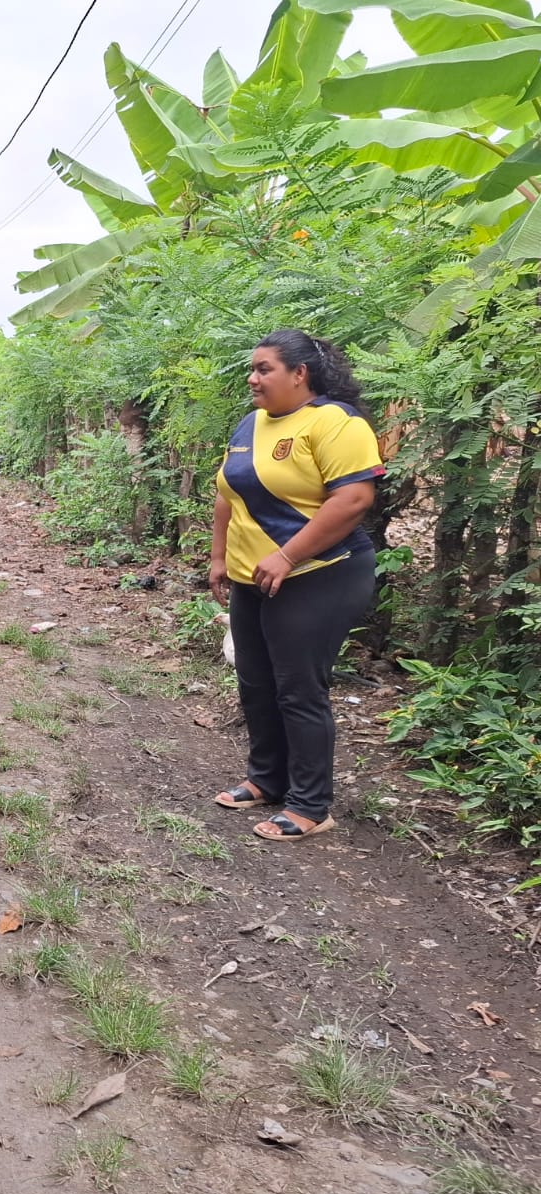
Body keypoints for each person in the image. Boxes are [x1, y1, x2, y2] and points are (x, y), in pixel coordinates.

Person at [209, 329, 384, 843]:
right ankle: (266, 779)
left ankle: (311, 804)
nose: (252, 378)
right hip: (252, 577)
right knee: (256, 681)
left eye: (264, 369)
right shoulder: (251, 423)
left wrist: (288, 555)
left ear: (300, 373)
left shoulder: (335, 422)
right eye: (253, 368)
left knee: (299, 689)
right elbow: (228, 494)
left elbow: (353, 499)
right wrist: (219, 557)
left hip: (319, 573)